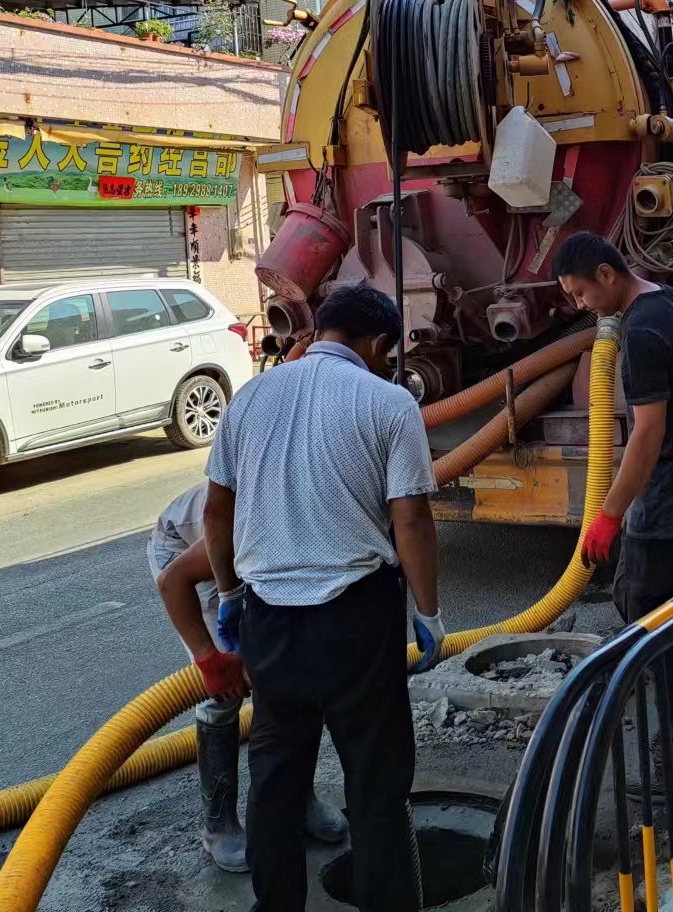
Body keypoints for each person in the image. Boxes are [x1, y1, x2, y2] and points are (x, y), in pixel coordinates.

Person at [203, 284, 444, 912]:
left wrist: (230, 594)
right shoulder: (390, 404)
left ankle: (276, 905)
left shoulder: (251, 397)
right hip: (356, 620)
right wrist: (427, 611)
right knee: (376, 777)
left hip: (270, 620)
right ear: (379, 344)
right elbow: (412, 519)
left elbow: (216, 510)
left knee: (276, 776)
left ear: (320, 331)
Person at [552, 232, 673, 793]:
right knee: (667, 616)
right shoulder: (668, 301)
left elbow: (647, 434)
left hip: (671, 495)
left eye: (580, 293)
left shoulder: (644, 331)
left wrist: (609, 513)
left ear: (607, 275)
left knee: (652, 622)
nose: (580, 305)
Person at [149, 483, 348, 873]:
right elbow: (173, 583)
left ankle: (297, 800)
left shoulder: (319, 518)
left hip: (251, 557)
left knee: (294, 674)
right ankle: (218, 827)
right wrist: (210, 660)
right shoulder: (256, 526)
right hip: (184, 554)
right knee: (224, 694)